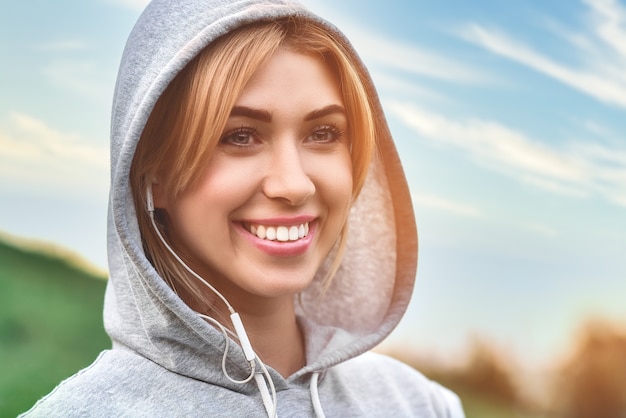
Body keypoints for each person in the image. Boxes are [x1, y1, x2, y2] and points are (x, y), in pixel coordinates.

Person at [21, 0, 464, 416]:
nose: (293, 184)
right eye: (240, 136)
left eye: (324, 133)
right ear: (151, 171)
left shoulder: (419, 404)